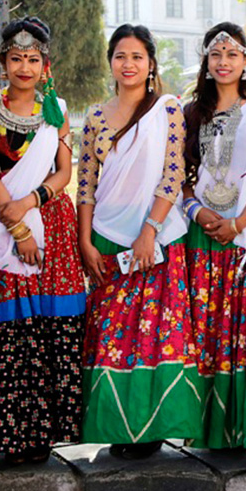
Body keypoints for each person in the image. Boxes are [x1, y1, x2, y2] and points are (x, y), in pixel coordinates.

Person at [79, 24, 198, 459]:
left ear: (150, 65)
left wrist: (149, 230)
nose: (128, 64)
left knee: (153, 335)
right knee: (112, 336)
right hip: (106, 239)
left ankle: (151, 430)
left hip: (156, 238)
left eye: (137, 57)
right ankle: (118, 429)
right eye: (120, 56)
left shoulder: (166, 111)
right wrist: (85, 242)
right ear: (110, 62)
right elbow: (86, 186)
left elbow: (172, 175)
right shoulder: (94, 116)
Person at [0, 17, 85, 464]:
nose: (24, 66)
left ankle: (42, 436)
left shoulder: (53, 109)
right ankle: (9, 433)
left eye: (32, 59)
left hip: (52, 225)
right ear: (3, 63)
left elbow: (63, 171)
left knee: (47, 327)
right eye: (16, 58)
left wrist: (33, 201)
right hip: (4, 228)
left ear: (45, 65)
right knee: (7, 327)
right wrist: (17, 225)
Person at [181, 23, 246, 449]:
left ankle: (238, 430)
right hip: (201, 234)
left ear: (245, 62)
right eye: (216, 54)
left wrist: (239, 223)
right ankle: (202, 431)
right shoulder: (189, 113)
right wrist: (198, 211)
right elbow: (177, 177)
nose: (223, 62)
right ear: (206, 62)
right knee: (204, 328)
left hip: (245, 235)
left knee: (241, 328)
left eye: (232, 54)